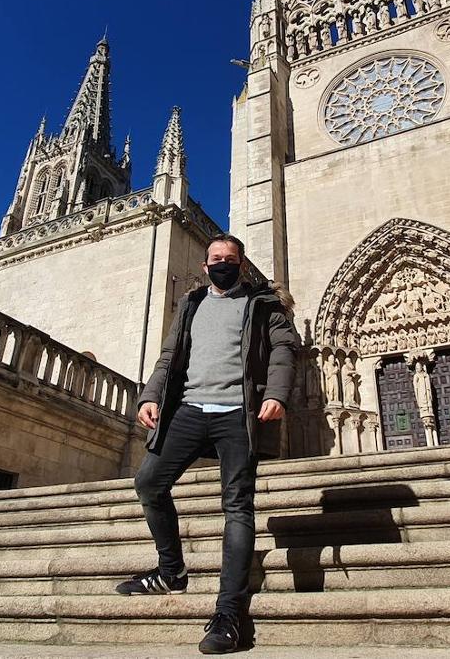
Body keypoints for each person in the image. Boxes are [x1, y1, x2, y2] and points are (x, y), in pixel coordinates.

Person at [116, 233, 300, 654]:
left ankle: (229, 612)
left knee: (237, 505)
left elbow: (283, 351)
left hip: (239, 413)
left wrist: (276, 393)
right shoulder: (193, 303)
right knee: (149, 483)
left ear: (241, 264)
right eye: (215, 258)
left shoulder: (264, 303)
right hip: (189, 410)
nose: (222, 264)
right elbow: (170, 354)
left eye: (230, 259)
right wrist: (149, 396)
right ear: (205, 265)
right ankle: (170, 571)